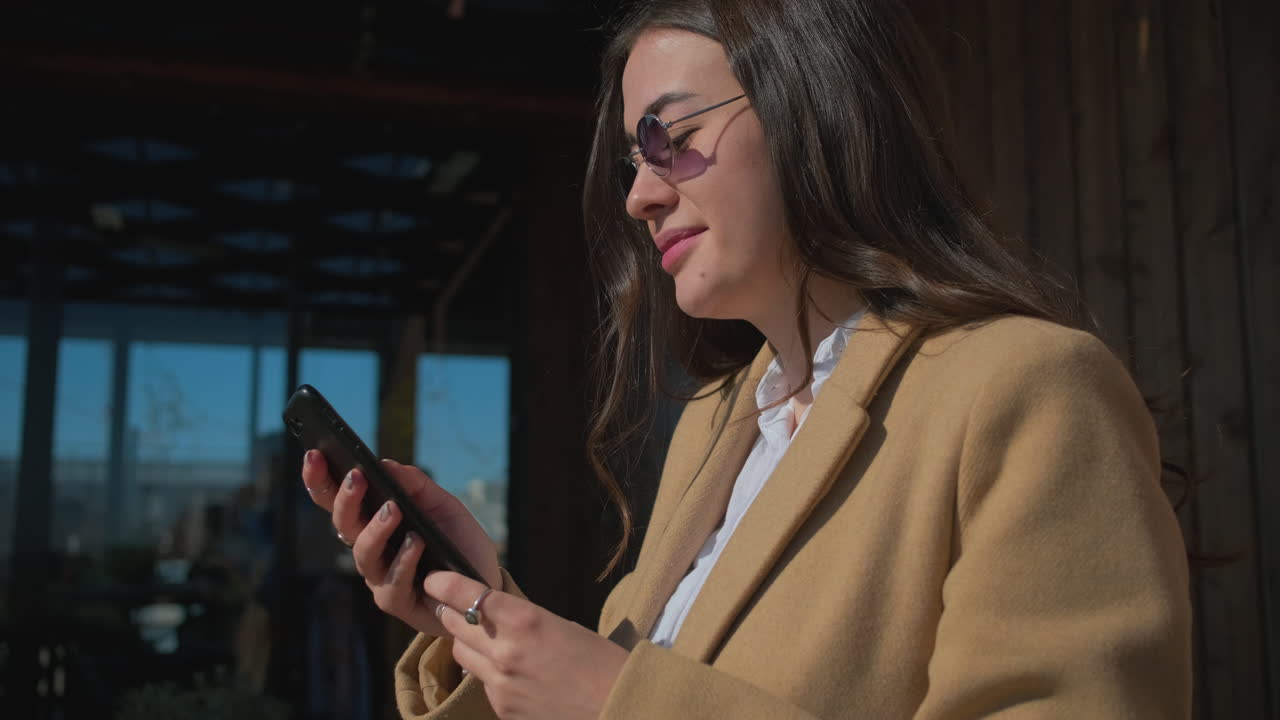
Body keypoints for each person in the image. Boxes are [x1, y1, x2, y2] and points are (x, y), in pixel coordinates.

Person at [300, 1, 1193, 718]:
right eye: (632, 160)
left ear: (815, 110)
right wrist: (480, 607)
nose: (641, 195)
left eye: (670, 137)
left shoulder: (1029, 389)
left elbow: (622, 699)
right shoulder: (719, 421)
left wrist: (615, 700)